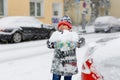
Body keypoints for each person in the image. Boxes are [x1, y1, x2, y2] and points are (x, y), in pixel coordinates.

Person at [47, 15, 81, 80]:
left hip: (69, 63)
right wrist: (52, 44)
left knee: (68, 78)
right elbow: (49, 43)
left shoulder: (73, 35)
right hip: (57, 63)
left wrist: (78, 43)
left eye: (64, 25)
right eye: (60, 25)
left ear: (69, 27)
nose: (62, 26)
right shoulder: (56, 34)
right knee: (56, 78)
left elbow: (80, 42)